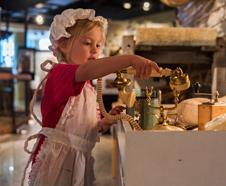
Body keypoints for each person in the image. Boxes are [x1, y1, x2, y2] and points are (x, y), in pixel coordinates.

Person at [22, 8, 159, 186]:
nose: (95, 50)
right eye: (87, 43)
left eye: (98, 45)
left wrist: (104, 122)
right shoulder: (60, 73)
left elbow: (83, 129)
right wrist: (130, 59)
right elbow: (88, 70)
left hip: (79, 159)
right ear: (63, 44)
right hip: (57, 161)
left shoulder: (86, 85)